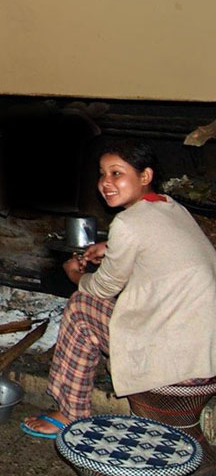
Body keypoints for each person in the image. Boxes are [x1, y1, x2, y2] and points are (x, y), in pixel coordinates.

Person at [21, 140, 216, 438]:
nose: (105, 183)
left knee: (81, 306)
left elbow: (102, 288)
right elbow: (158, 245)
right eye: (102, 174)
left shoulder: (127, 222)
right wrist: (111, 248)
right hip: (206, 357)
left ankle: (69, 411)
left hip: (175, 368)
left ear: (145, 176)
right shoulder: (172, 207)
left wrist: (76, 277)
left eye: (117, 173)